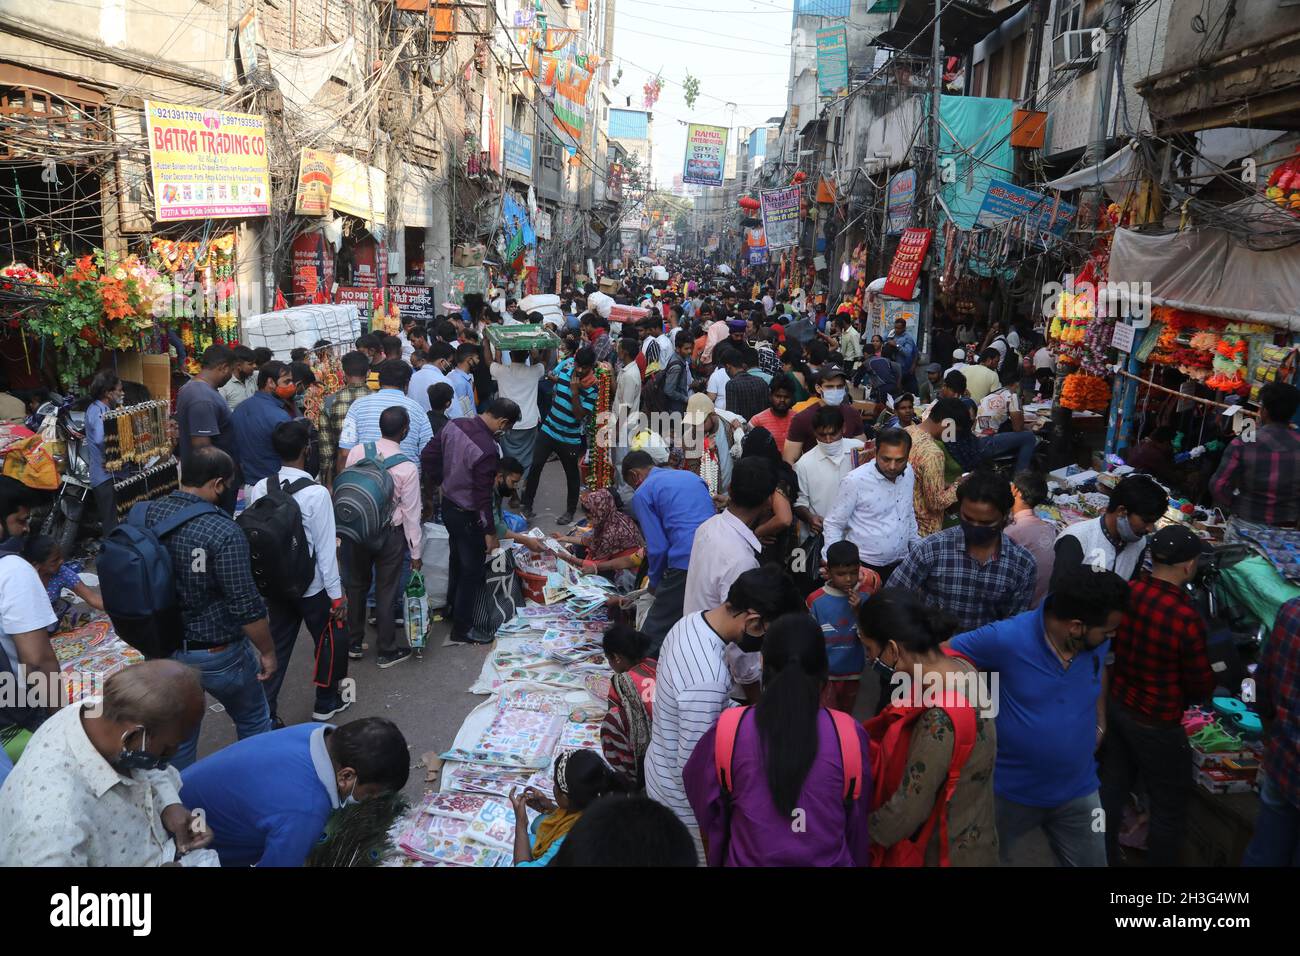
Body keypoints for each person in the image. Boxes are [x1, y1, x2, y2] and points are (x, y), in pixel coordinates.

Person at [948, 568, 1130, 867]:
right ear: (1075, 627)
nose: (1113, 636)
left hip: (1080, 791)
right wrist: (973, 716)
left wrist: (1100, 719)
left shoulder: (1096, 641)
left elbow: (1100, 669)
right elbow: (942, 658)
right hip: (1006, 793)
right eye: (1108, 631)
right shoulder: (1005, 639)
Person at [682, 612, 872, 867]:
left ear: (762, 662)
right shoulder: (848, 735)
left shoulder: (729, 730)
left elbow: (703, 801)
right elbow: (857, 824)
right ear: (824, 669)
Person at [645, 566, 801, 859]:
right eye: (769, 633)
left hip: (660, 768)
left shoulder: (691, 623)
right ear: (754, 622)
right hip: (684, 810)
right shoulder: (708, 679)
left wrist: (741, 713)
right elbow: (695, 770)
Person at [0, 660, 212, 866]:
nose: (170, 757)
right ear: (132, 736)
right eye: (168, 747)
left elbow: (145, 766)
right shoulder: (54, 825)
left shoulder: (102, 714)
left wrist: (169, 804)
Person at [142, 447, 276, 768]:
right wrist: (267, 651)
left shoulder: (147, 514)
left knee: (181, 736)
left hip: (164, 648)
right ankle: (254, 787)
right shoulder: (223, 531)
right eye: (226, 485)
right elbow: (244, 603)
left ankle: (181, 802)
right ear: (217, 484)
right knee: (255, 718)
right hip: (217, 653)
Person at [1100, 525, 1215, 867]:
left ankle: (1101, 857)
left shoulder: (1130, 591)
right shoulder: (1185, 617)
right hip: (1157, 722)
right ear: (1188, 566)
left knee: (1112, 788)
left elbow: (1114, 646)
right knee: (1168, 808)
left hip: (1120, 706)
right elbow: (1200, 683)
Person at [860, 590, 998, 866]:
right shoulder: (960, 666)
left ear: (892, 649)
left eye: (869, 650)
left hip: (944, 852)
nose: (868, 659)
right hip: (978, 829)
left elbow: (908, 811)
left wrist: (856, 834)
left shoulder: (939, 719)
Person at [180, 717, 409, 867]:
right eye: (369, 793)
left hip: (182, 796)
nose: (368, 801)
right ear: (347, 776)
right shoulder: (305, 810)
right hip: (183, 841)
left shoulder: (318, 734)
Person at [246, 420, 350, 723]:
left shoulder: (260, 488)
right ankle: (325, 702)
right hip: (312, 586)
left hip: (277, 585)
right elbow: (326, 550)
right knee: (326, 642)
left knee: (276, 647)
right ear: (307, 449)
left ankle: (267, 711)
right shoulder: (316, 494)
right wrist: (336, 596)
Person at [423, 398, 521, 645]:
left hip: (449, 505)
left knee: (456, 560)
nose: (504, 432)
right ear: (503, 422)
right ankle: (462, 629)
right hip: (468, 514)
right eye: (506, 428)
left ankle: (451, 610)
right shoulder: (487, 448)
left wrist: (440, 481)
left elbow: (428, 455)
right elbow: (482, 496)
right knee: (471, 570)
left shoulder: (454, 424)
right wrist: (489, 532)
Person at [890, 471, 1036, 633]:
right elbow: (892, 597)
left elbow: (1013, 626)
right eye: (968, 519)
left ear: (1005, 517)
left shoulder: (1022, 564)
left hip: (983, 653)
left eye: (985, 523)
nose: (975, 527)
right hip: (931, 651)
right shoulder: (932, 549)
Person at [342, 408, 424, 666]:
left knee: (356, 587)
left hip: (356, 530)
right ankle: (386, 649)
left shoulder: (357, 452)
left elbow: (351, 487)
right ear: (404, 430)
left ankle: (353, 643)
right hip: (389, 534)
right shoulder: (407, 467)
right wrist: (416, 552)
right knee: (386, 591)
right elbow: (412, 513)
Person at [622, 450, 716, 651]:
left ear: (634, 475)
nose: (634, 488)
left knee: (653, 631)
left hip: (685, 558)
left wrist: (654, 583)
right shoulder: (690, 477)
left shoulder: (643, 492)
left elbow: (658, 548)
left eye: (631, 485)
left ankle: (642, 676)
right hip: (717, 553)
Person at [1243, 595, 1300, 866]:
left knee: (1265, 854)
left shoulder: (1292, 611)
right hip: (1283, 762)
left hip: (1284, 763)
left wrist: (1271, 735)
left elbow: (1261, 688)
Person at [822, 427, 919, 583]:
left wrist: (916, 549)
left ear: (908, 456)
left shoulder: (908, 473)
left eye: (900, 460)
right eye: (886, 459)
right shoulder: (855, 481)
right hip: (864, 568)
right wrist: (833, 564)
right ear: (875, 453)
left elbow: (908, 512)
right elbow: (833, 524)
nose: (893, 466)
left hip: (902, 563)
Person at [683, 457, 776, 618]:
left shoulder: (706, 527)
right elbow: (736, 622)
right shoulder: (743, 561)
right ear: (768, 501)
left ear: (730, 489)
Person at [0, 521, 60, 761]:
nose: (25, 529)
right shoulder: (12, 568)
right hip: (13, 716)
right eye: (21, 520)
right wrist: (60, 719)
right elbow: (36, 660)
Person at [521, 347, 598, 526]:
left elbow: (580, 415)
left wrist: (575, 392)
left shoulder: (593, 387)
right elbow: (555, 390)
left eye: (584, 367)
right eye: (578, 365)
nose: (579, 370)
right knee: (536, 467)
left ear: (591, 366)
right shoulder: (565, 371)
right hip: (548, 429)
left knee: (571, 475)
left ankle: (570, 511)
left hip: (569, 438)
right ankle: (527, 505)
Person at [510, 749, 625, 866]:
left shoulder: (572, 840)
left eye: (555, 784)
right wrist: (550, 808)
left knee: (527, 840)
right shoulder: (599, 805)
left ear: (565, 798)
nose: (554, 787)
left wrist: (521, 823)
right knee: (539, 822)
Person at [1211, 381, 1300, 527]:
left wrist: (1236, 504)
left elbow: (1218, 486)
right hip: (1286, 532)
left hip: (1245, 525)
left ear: (1264, 410)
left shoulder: (1244, 442)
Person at [1052, 473, 1167, 587]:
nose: (1150, 529)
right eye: (1146, 521)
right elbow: (1059, 597)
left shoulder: (1139, 543)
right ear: (1122, 511)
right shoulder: (1077, 539)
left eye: (1153, 522)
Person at [807, 540, 879, 712]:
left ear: (859, 567)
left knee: (850, 718)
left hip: (856, 674)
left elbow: (873, 637)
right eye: (841, 574)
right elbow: (810, 640)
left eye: (853, 573)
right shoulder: (816, 600)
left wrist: (859, 612)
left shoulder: (866, 597)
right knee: (828, 719)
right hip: (826, 675)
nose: (848, 579)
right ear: (828, 571)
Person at [337, 359, 432, 478]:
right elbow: (427, 453)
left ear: (379, 381)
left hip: (365, 484)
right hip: (405, 480)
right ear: (407, 383)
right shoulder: (418, 410)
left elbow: (345, 452)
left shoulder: (358, 405)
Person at [175, 344, 241, 512]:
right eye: (232, 370)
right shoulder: (202, 398)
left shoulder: (194, 388)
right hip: (213, 483)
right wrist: (220, 482)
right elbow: (203, 448)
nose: (231, 375)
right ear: (224, 367)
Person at [599, 624, 658, 788]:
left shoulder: (621, 683)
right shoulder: (654, 664)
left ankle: (628, 777)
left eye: (608, 659)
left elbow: (613, 718)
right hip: (668, 743)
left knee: (611, 721)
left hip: (643, 763)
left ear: (617, 658)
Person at [794, 405, 866, 530]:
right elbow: (800, 502)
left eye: (833, 434)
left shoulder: (859, 451)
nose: (828, 440)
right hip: (823, 532)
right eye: (822, 435)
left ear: (843, 428)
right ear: (814, 432)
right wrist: (810, 518)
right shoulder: (804, 464)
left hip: (857, 532)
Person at [554, 487, 645, 587]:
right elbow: (591, 541)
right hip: (619, 559)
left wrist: (568, 558)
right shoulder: (614, 517)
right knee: (580, 547)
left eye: (590, 517)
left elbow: (596, 565)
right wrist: (565, 538)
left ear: (599, 513)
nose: (588, 522)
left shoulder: (610, 534)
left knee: (588, 568)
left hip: (626, 570)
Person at [232, 361, 295, 496]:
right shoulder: (279, 416)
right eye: (287, 381)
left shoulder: (239, 409)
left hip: (249, 488)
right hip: (276, 489)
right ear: (271, 382)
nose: (291, 386)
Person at [781, 364, 864, 464]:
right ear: (818, 388)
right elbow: (789, 458)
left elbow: (862, 449)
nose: (835, 391)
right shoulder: (802, 418)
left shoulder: (852, 413)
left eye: (840, 387)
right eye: (829, 387)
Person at [906, 398, 962, 537]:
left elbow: (917, 480)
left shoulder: (907, 431)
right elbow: (936, 503)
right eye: (955, 430)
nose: (954, 436)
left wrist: (944, 484)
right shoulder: (934, 453)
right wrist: (958, 485)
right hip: (925, 530)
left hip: (905, 524)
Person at [316, 351, 371, 488]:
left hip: (342, 476)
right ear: (368, 373)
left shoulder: (329, 402)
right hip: (374, 472)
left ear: (344, 374)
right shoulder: (377, 400)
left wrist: (328, 485)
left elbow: (326, 450)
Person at [23, 535, 103, 627]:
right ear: (36, 565)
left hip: (55, 614)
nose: (61, 561)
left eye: (60, 557)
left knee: (82, 620)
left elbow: (92, 597)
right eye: (55, 560)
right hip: (31, 622)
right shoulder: (23, 581)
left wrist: (117, 610)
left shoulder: (61, 572)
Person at [489, 347, 545, 475]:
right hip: (529, 422)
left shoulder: (501, 371)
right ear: (527, 355)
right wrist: (537, 355)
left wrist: (486, 341)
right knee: (528, 457)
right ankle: (523, 482)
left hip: (508, 422)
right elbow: (544, 363)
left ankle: (510, 483)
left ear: (509, 354)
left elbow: (488, 362)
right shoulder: (534, 371)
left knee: (508, 457)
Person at [81, 370, 124, 536]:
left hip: (110, 476)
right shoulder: (98, 412)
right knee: (112, 524)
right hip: (105, 477)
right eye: (119, 390)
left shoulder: (101, 409)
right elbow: (101, 439)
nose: (122, 393)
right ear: (108, 393)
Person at [1005, 469, 1056, 608]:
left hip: (1024, 606)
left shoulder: (1012, 533)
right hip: (1045, 603)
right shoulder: (1049, 528)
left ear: (1015, 491)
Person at [974, 379, 1036, 472]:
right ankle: (1021, 475)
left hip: (975, 440)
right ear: (1016, 384)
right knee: (1029, 437)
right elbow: (1018, 428)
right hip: (986, 443)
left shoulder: (991, 395)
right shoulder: (1011, 396)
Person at [748, 373, 797, 453]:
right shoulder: (757, 421)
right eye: (778, 396)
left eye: (786, 397)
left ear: (792, 398)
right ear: (770, 396)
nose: (782, 400)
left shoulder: (797, 419)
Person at [723, 346, 768, 422]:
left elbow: (732, 415)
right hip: (761, 428)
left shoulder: (732, 385)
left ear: (728, 367)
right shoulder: (761, 381)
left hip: (742, 429)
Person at [407, 340, 453, 413]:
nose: (449, 364)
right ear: (442, 362)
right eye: (450, 361)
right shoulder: (444, 381)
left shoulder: (412, 378)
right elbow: (454, 412)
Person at [663, 329, 694, 415]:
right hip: (675, 408)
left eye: (691, 348)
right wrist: (685, 399)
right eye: (686, 349)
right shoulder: (677, 367)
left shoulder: (680, 358)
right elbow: (669, 390)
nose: (689, 351)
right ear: (677, 348)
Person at [219, 345, 259, 412]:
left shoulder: (254, 376)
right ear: (238, 366)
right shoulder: (224, 386)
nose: (255, 366)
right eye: (250, 364)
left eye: (254, 363)